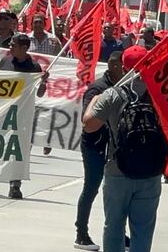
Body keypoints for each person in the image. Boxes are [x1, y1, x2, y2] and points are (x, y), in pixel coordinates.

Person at [83, 46, 168, 252]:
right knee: (143, 229)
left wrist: (95, 100)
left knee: (114, 225)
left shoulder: (113, 94)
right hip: (151, 170)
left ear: (123, 66)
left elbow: (89, 125)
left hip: (117, 169)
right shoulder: (160, 92)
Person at [0, 34, 49, 198]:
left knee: (18, 150)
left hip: (22, 115)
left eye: (13, 45)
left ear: (24, 48)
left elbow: (40, 94)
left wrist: (43, 81)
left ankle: (15, 185)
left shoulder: (34, 67)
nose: (10, 47)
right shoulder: (5, 62)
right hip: (3, 111)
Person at [74, 51, 125, 251]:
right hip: (95, 145)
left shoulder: (124, 86)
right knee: (91, 187)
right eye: (123, 66)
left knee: (116, 191)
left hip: (115, 146)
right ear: (113, 66)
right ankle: (81, 233)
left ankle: (118, 234)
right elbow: (89, 121)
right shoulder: (98, 89)